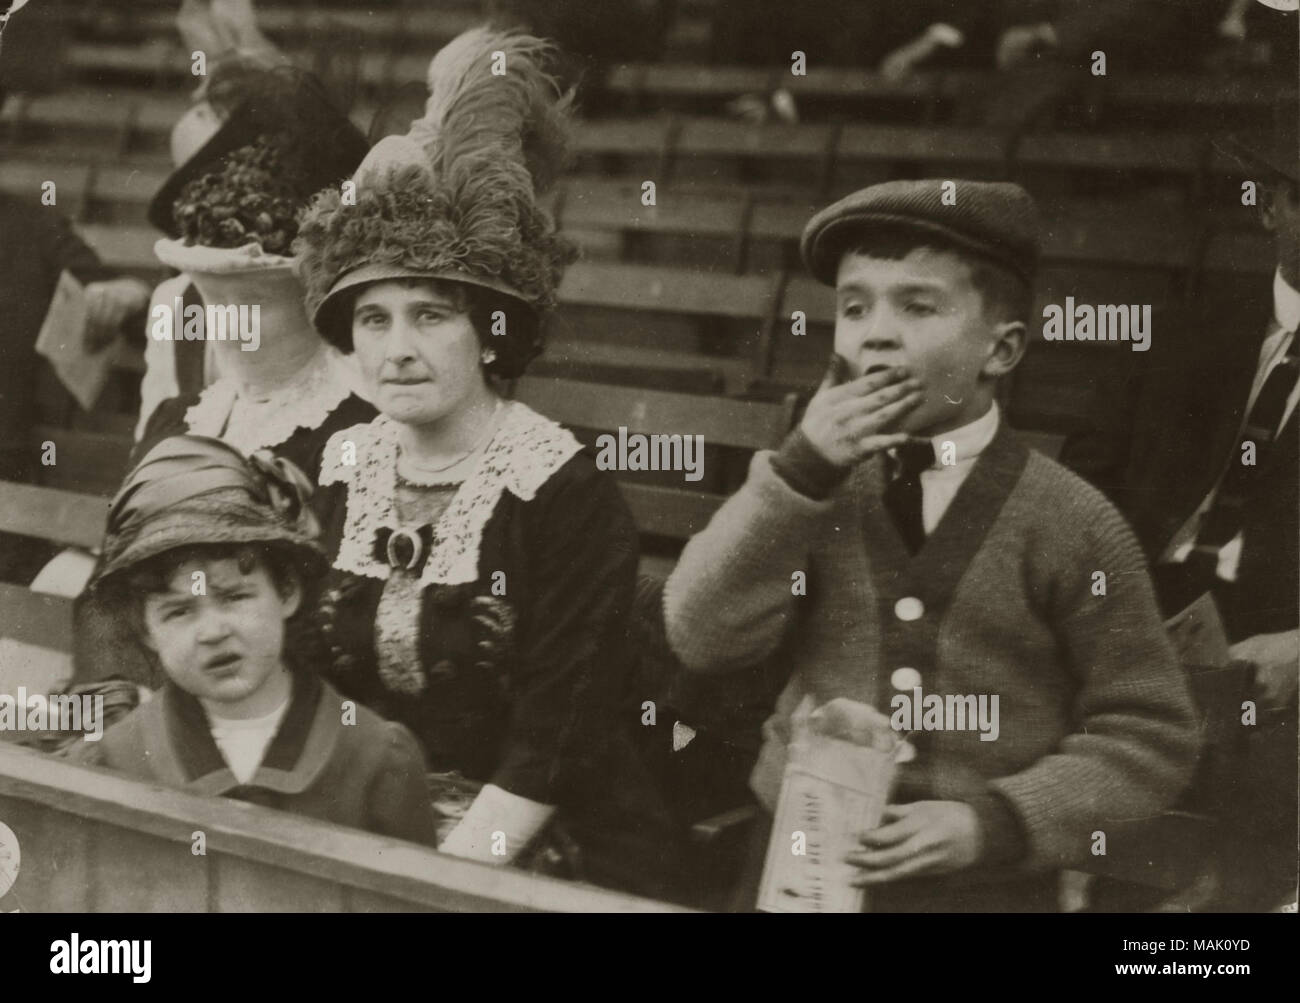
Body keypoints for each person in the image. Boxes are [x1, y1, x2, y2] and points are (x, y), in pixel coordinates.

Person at [662, 179, 1201, 911]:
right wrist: (800, 471)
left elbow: (1151, 731)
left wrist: (999, 820)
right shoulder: (807, 490)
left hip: (984, 884)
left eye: (918, 306)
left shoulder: (1074, 521)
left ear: (1001, 349)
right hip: (800, 855)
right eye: (855, 307)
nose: (875, 333)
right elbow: (701, 634)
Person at [292, 26, 672, 898]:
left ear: (492, 329)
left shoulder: (561, 490)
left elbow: (559, 737)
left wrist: (430, 881)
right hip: (364, 824)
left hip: (535, 838)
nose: (398, 348)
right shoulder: (340, 465)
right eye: (375, 319)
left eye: (432, 314)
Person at [1060, 121, 1299, 911]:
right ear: (1271, 207)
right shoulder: (1179, 329)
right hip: (1135, 623)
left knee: (1234, 890)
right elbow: (1078, 493)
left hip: (1274, 661)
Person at [72, 68, 375, 688]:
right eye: (214, 296)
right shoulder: (177, 421)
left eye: (258, 299)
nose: (231, 321)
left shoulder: (363, 437)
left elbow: (334, 641)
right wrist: (118, 720)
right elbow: (113, 603)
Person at [66, 435, 436, 847]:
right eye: (179, 611)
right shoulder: (117, 759)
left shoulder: (374, 757)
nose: (213, 631)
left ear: (287, 591)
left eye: (234, 597)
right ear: (146, 631)